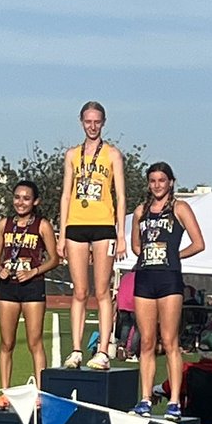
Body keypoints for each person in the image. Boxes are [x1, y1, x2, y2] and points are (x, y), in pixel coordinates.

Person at [128, 162, 204, 420]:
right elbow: (136, 246)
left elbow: (198, 243)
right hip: (145, 278)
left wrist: (173, 255)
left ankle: (174, 402)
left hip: (169, 280)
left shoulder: (180, 207)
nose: (157, 185)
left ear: (171, 182)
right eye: (152, 181)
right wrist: (152, 255)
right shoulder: (141, 210)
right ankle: (146, 398)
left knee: (170, 340)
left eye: (162, 180)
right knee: (147, 341)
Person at [57, 101, 126, 370]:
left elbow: (120, 196)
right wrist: (61, 235)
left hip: (104, 227)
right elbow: (65, 195)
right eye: (88, 121)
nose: (93, 126)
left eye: (97, 121)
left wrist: (120, 235)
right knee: (80, 291)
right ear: (81, 122)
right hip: (76, 225)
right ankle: (75, 350)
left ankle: (103, 351)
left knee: (102, 291)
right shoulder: (72, 155)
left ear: (104, 122)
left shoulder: (113, 155)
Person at [0, 180, 59, 400]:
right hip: (8, 287)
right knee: (6, 343)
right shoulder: (4, 224)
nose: (21, 202)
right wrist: (0, 267)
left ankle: (41, 393)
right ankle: (5, 392)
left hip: (32, 287)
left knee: (34, 341)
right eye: (17, 197)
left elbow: (54, 259)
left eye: (26, 198)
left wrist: (33, 271)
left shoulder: (42, 225)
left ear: (35, 201)